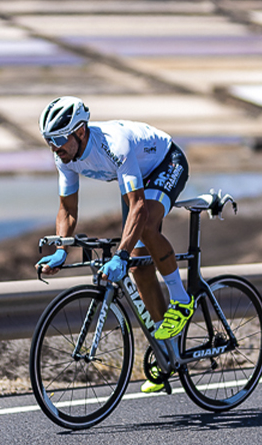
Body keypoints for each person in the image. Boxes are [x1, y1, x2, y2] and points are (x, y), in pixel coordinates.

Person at [35, 96, 192, 390]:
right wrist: (61, 250)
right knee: (138, 268)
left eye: (59, 138)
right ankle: (167, 352)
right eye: (48, 140)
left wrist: (119, 255)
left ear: (80, 132)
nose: (55, 147)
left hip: (165, 162)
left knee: (142, 229)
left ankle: (182, 300)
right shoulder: (64, 156)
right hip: (135, 174)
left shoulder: (113, 145)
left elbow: (139, 207)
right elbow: (67, 210)